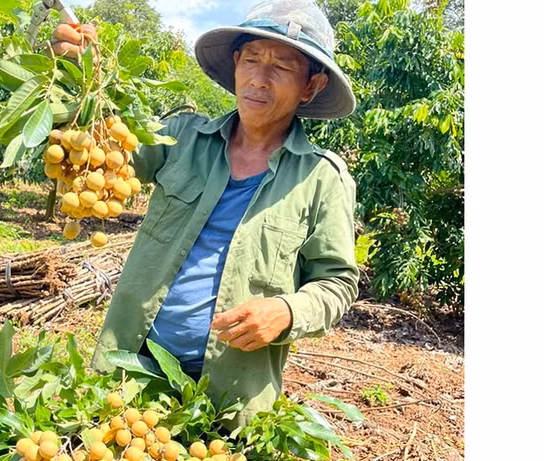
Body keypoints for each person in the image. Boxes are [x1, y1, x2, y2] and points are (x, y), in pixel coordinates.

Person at [52, 0, 359, 429]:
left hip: (227, 403)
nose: (259, 78)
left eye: (282, 68)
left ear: (311, 86)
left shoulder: (322, 178)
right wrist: (78, 74)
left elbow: (337, 283)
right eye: (251, 59)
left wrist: (287, 312)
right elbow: (99, 153)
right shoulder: (180, 136)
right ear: (236, 63)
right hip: (129, 373)